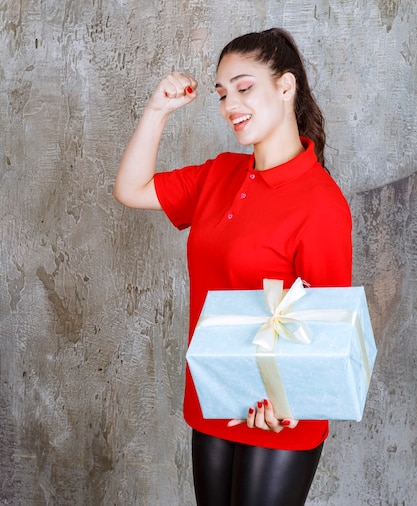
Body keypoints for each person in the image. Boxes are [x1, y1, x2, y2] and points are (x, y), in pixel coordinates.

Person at [113, 28, 352, 506]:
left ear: (286, 88)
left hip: (280, 413)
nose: (229, 105)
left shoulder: (321, 202)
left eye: (243, 88)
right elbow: (131, 189)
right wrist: (157, 109)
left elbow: (327, 327)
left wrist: (285, 406)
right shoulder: (219, 174)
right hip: (216, 397)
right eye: (222, 93)